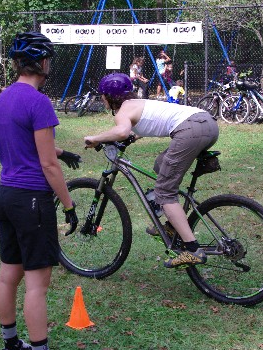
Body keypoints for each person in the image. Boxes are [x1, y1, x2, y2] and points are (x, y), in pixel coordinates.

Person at [0, 31, 79, 350]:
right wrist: (69, 206)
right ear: (42, 62)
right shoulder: (39, 102)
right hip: (32, 200)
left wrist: (60, 149)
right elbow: (48, 165)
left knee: (7, 276)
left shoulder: (5, 97)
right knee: (37, 285)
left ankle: (12, 346)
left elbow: (19, 140)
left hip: (6, 196)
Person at [84, 73, 219, 268]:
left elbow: (122, 131)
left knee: (164, 192)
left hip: (190, 130)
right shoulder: (138, 103)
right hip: (207, 124)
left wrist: (96, 138)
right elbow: (143, 125)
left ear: (108, 96)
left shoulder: (122, 111)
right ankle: (173, 226)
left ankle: (192, 249)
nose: (102, 99)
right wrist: (131, 137)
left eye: (102, 95)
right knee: (161, 164)